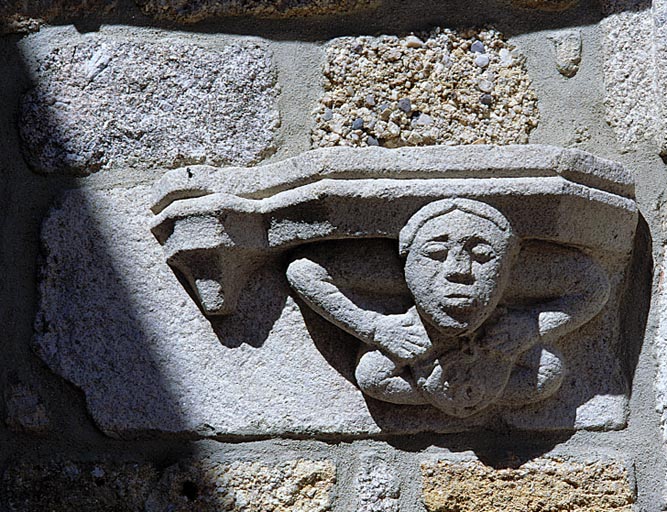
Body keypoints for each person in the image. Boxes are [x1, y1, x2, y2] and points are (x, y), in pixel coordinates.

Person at [286, 199, 610, 418]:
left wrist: (533, 326)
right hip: (423, 348)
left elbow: (593, 283)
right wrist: (376, 328)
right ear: (407, 261)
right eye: (437, 252)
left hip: (497, 347)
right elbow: (304, 272)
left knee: (549, 373)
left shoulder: (519, 277)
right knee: (371, 375)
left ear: (508, 265)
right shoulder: (390, 274)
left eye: (482, 256)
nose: (458, 269)